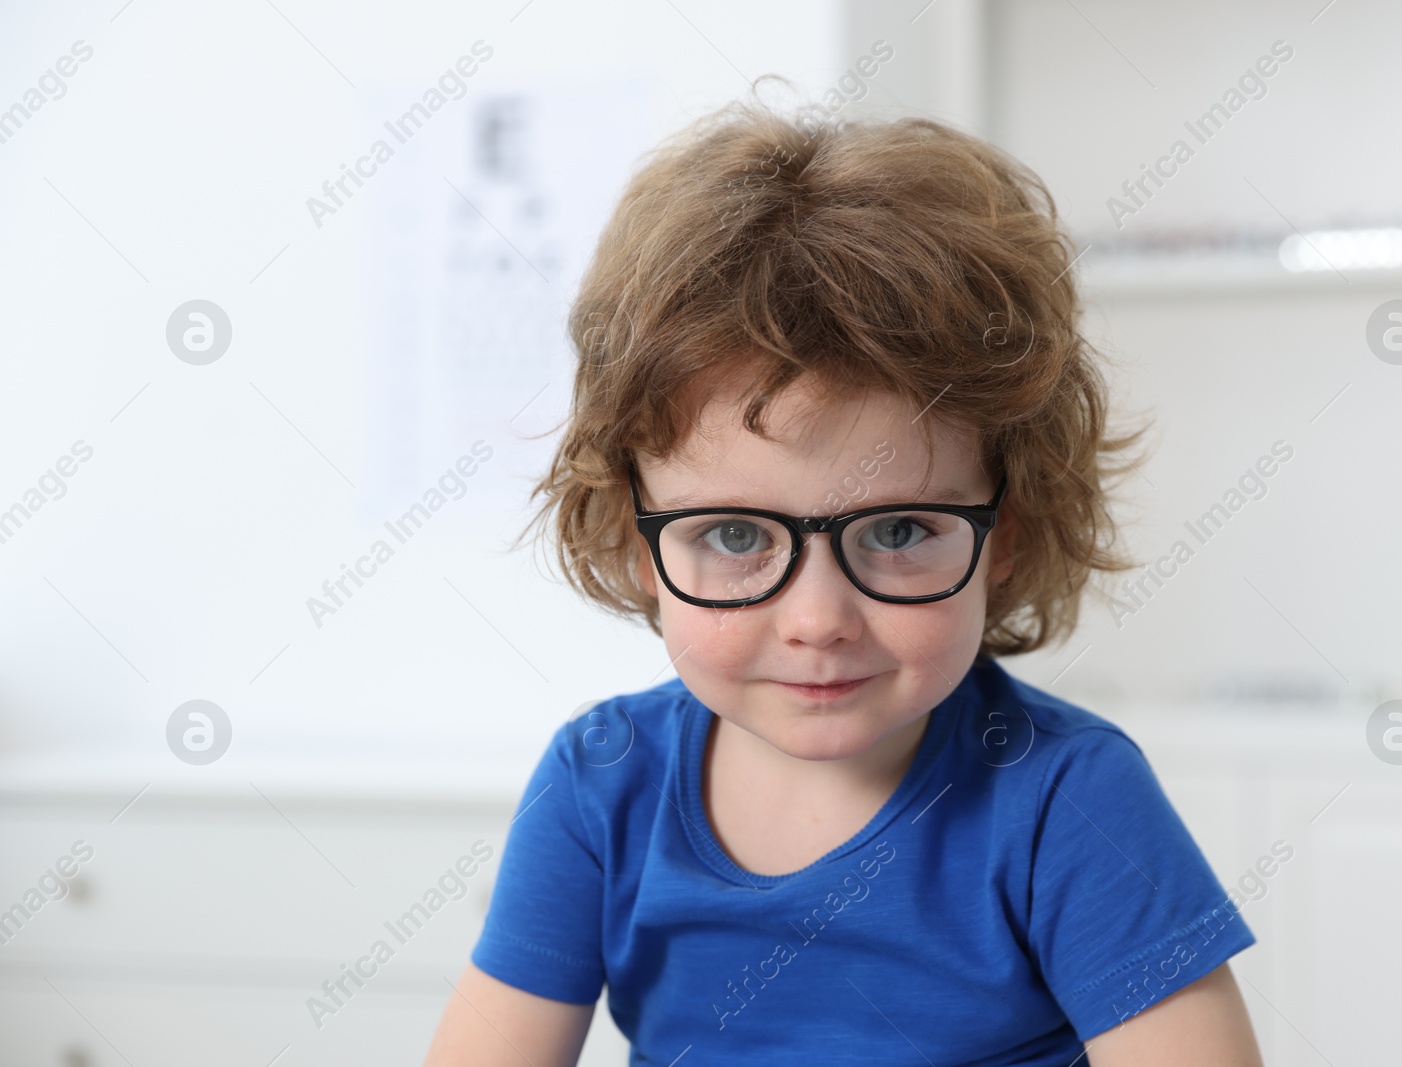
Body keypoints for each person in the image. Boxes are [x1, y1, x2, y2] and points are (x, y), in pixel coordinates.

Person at [424, 79, 1263, 1067]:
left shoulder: (1065, 800)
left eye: (900, 528)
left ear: (1003, 531)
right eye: (735, 537)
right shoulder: (599, 784)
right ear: (634, 539)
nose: (818, 618)